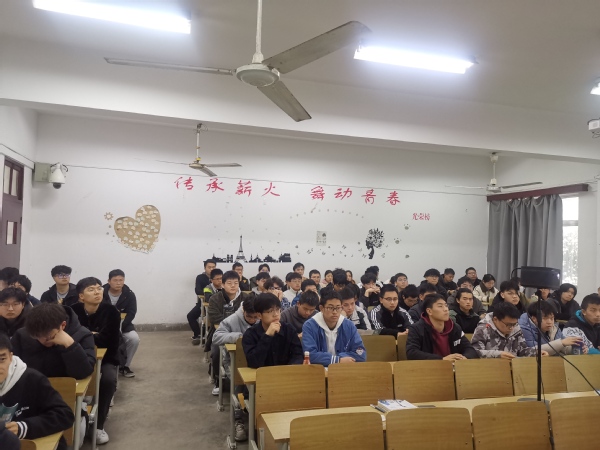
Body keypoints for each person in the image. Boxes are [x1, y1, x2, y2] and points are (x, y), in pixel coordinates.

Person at [0, 333, 74, 450]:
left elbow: (64, 415)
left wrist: (24, 427)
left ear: (10, 357)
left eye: (2, 359)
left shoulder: (32, 379)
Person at [70, 277, 121, 445]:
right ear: (81, 296)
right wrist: (94, 335)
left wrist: (85, 335)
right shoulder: (72, 311)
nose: (97, 292)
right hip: (78, 356)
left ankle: (98, 425)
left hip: (106, 357)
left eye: (99, 288)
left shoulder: (111, 312)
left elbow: (109, 340)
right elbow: (70, 337)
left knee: (108, 380)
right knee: (70, 380)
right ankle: (79, 416)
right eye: (91, 289)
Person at [212, 297, 259, 442]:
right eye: (249, 317)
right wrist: (239, 337)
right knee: (239, 384)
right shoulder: (232, 320)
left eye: (256, 317)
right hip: (234, 363)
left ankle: (257, 419)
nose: (253, 320)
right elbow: (216, 337)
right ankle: (239, 420)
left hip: (257, 362)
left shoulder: (262, 318)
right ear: (243, 310)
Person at [12, 303, 96, 379]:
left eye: (48, 336)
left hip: (66, 388)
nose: (43, 340)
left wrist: (70, 345)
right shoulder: (22, 335)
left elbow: (83, 373)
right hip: (31, 387)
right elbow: (12, 369)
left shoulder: (83, 335)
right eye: (37, 336)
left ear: (63, 325)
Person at [207, 271, 252, 395]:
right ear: (222, 285)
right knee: (216, 352)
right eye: (229, 283)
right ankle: (218, 380)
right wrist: (234, 320)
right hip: (222, 331)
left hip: (243, 332)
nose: (233, 286)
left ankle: (242, 381)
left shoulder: (246, 298)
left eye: (236, 283)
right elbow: (215, 318)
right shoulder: (215, 298)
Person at [302, 292, 367, 366]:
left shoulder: (349, 325)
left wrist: (339, 358)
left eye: (338, 308)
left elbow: (361, 354)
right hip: (319, 370)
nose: (335, 312)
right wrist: (337, 360)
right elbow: (310, 355)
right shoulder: (310, 326)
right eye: (330, 308)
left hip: (343, 369)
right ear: (321, 308)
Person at [407, 293, 478, 360]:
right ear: (429, 311)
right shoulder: (416, 329)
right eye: (440, 306)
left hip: (454, 366)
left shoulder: (454, 327)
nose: (446, 309)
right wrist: (441, 360)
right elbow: (412, 353)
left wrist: (464, 358)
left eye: (446, 306)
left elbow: (469, 349)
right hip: (428, 367)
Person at [242, 293, 303, 368]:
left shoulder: (289, 330)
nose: (276, 314)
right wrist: (267, 336)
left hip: (286, 373)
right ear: (259, 315)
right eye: (270, 311)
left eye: (277, 309)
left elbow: (298, 356)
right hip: (261, 374)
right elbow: (253, 363)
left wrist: (288, 370)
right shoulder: (250, 334)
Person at [471, 302, 547, 359]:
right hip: (490, 369)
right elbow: (474, 352)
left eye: (514, 324)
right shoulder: (483, 329)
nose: (511, 328)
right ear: (495, 319)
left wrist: (535, 352)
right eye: (508, 324)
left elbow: (521, 350)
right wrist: (498, 355)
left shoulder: (516, 328)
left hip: (513, 368)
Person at [102, 269, 139, 378]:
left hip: (123, 325)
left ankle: (125, 366)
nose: (118, 283)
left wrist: (120, 327)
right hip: (104, 325)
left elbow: (131, 313)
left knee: (134, 339)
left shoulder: (129, 294)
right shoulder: (101, 293)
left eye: (121, 280)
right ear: (109, 281)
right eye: (115, 280)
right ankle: (104, 366)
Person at [188, 268, 223, 345]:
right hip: (212, 312)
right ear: (211, 280)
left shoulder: (225, 287)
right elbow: (210, 300)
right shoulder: (207, 288)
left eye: (221, 278)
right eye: (217, 279)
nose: (220, 281)